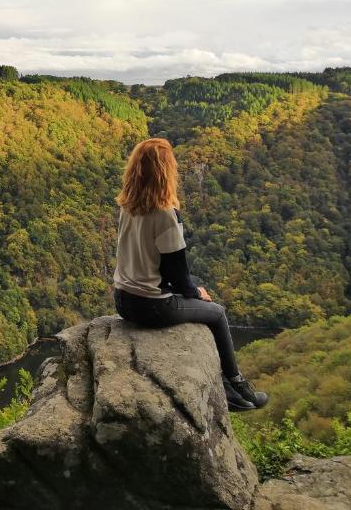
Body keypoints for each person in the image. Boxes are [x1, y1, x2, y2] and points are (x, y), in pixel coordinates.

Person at [112, 137, 268, 412]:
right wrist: (197, 293)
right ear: (165, 171)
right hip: (152, 306)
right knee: (217, 313)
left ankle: (233, 387)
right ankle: (237, 386)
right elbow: (177, 273)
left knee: (202, 304)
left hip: (123, 300)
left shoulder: (127, 205)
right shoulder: (165, 214)